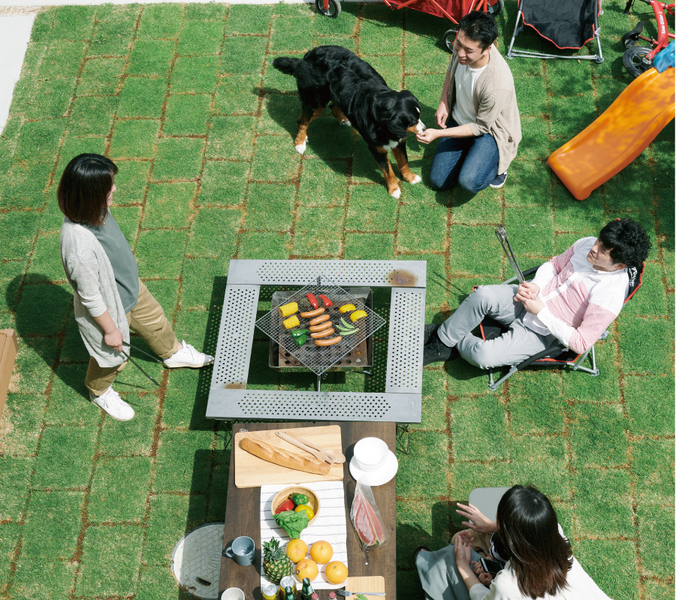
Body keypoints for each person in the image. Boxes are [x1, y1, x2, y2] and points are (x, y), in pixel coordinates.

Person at [58, 154, 214, 421]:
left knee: (156, 322)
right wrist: (110, 331)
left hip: (132, 288)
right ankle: (99, 391)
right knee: (111, 359)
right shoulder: (78, 247)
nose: (115, 189)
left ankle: (173, 353)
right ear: (91, 194)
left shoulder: (94, 209)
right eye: (109, 186)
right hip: (111, 309)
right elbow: (91, 297)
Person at [423, 218, 651, 367]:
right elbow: (555, 265)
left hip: (542, 333)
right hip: (528, 298)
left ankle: (450, 334)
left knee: (482, 356)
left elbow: (581, 343)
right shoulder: (587, 244)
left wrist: (541, 312)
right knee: (482, 296)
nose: (594, 248)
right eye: (599, 240)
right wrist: (538, 285)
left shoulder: (609, 295)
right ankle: (442, 342)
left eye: (602, 250)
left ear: (619, 265)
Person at [415, 485, 615, 600]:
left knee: (451, 557)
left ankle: (424, 561)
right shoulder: (556, 534)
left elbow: (481, 598)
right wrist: (490, 526)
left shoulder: (508, 585)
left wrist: (462, 566)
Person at [416, 12, 521, 193]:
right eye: (458, 44)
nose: (460, 53)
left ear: (487, 49)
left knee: (468, 182)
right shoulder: (463, 47)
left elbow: (480, 127)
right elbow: (451, 67)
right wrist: (444, 101)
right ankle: (471, 153)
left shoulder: (497, 86)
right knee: (439, 182)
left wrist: (438, 134)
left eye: (469, 51)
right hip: (460, 119)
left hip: (489, 131)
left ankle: (498, 166)